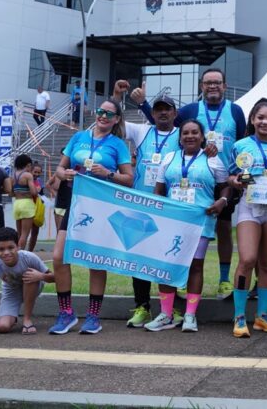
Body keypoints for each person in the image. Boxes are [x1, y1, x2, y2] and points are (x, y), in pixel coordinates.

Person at [135, 69, 247, 300]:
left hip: (222, 178)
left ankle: (224, 280)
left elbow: (242, 145)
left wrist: (239, 177)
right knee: (185, 232)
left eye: (217, 82)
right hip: (194, 178)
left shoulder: (235, 111)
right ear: (201, 86)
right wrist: (144, 104)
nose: (212, 86)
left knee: (224, 229)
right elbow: (164, 122)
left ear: (224, 85)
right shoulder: (190, 110)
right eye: (208, 83)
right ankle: (184, 278)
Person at [49, 99, 134, 335]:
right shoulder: (78, 137)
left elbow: (129, 178)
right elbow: (58, 169)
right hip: (76, 204)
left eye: (109, 114)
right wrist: (63, 174)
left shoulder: (117, 144)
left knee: (95, 261)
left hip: (101, 206)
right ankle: (66, 314)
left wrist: (108, 173)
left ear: (117, 119)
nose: (103, 116)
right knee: (58, 256)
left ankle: (93, 316)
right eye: (100, 112)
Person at [145, 119, 230, 333]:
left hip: (200, 221)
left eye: (195, 133)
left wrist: (222, 201)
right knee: (166, 267)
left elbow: (225, 187)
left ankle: (190, 315)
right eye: (185, 133)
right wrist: (159, 214)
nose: (190, 136)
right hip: (172, 221)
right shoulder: (169, 158)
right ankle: (166, 314)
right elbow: (159, 189)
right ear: (180, 137)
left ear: (202, 137)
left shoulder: (213, 161)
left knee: (195, 266)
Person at [118, 84, 183, 329]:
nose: (163, 113)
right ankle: (142, 307)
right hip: (141, 203)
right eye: (158, 110)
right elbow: (116, 124)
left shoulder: (182, 134)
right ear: (152, 113)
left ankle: (172, 307)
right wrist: (118, 96)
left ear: (175, 113)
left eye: (168, 109)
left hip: (169, 205)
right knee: (139, 258)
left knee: (168, 259)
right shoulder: (141, 131)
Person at [228, 101, 267, 337]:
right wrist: (236, 182)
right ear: (252, 119)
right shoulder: (240, 145)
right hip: (249, 206)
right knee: (248, 259)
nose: (265, 122)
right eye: (261, 117)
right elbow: (231, 177)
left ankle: (262, 316)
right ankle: (239, 316)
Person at [0, 227, 55, 334]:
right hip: (12, 292)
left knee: (30, 275)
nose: (6, 252)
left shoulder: (29, 257)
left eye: (11, 247)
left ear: (18, 246)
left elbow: (56, 278)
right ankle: (12, 317)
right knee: (3, 327)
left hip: (32, 285)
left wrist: (41, 276)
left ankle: (27, 319)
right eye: (1, 249)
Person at [11, 154, 38, 250]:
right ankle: (20, 253)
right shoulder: (27, 175)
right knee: (25, 234)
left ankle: (17, 252)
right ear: (27, 165)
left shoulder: (13, 175)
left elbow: (11, 193)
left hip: (17, 203)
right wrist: (37, 189)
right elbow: (33, 192)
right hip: (27, 204)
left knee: (19, 233)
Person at [27, 162, 44, 252]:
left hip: (37, 209)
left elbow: (42, 193)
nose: (36, 174)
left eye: (39, 172)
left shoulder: (39, 181)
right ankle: (20, 251)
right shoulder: (27, 179)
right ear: (31, 171)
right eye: (35, 172)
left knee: (35, 232)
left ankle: (30, 251)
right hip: (28, 207)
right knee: (25, 232)